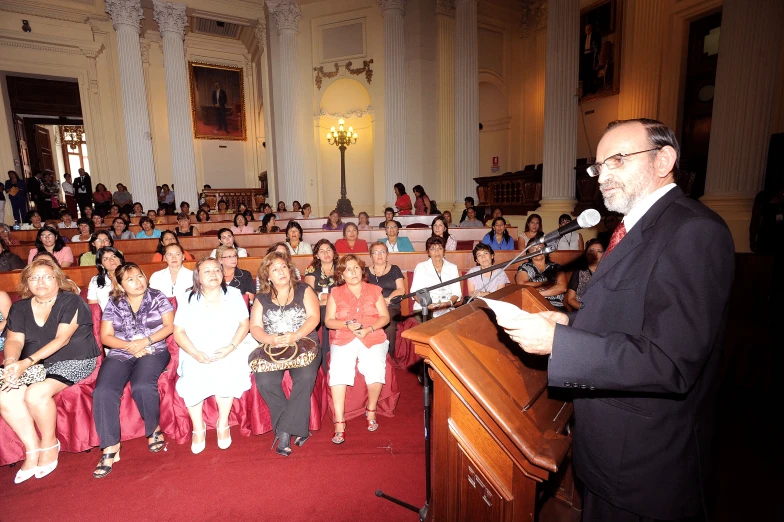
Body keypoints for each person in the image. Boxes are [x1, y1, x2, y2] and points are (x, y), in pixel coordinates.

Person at [498, 118, 735, 522]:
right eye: (598, 167)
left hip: (648, 467)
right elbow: (630, 321)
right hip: (609, 454)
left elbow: (671, 361)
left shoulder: (693, 230)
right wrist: (568, 325)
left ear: (664, 160)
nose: (603, 176)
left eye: (618, 160)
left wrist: (560, 344)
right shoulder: (631, 227)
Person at [0, 258, 100, 483]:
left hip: (73, 358)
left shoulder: (71, 301)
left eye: (46, 276)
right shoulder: (19, 307)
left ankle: (49, 443)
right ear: (26, 282)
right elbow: (14, 339)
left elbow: (62, 340)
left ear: (58, 279)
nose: (40, 282)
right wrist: (11, 362)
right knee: (4, 394)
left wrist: (25, 363)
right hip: (33, 363)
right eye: (34, 278)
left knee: (35, 394)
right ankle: (32, 447)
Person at [92, 263, 174, 478]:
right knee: (103, 391)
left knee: (141, 386)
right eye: (131, 279)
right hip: (121, 351)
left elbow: (169, 327)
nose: (138, 282)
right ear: (120, 284)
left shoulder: (157, 297)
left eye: (140, 276)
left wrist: (144, 342)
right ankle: (110, 446)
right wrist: (131, 346)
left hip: (154, 348)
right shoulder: (114, 302)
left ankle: (153, 428)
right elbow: (106, 337)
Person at [173, 258, 254, 454]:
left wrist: (230, 347)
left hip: (229, 346)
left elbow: (244, 325)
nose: (213, 274)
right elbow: (179, 332)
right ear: (198, 277)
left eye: (216, 270)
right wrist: (194, 353)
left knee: (227, 371)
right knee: (192, 376)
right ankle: (198, 427)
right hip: (195, 349)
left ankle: (223, 423)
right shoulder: (187, 297)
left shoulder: (234, 294)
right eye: (207, 271)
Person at [249, 252, 322, 456]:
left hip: (305, 344)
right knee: (264, 381)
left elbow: (314, 318)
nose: (281, 272)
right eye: (275, 269)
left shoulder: (304, 289)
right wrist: (270, 339)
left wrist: (296, 335)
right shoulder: (261, 298)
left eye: (283, 267)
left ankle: (284, 431)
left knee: (306, 377)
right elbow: (254, 326)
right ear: (267, 276)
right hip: (273, 347)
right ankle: (296, 428)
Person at [325, 254, 390, 444]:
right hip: (345, 336)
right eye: (347, 269)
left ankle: (371, 410)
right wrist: (346, 325)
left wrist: (369, 329)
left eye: (355, 268)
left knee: (375, 367)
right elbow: (328, 321)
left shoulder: (374, 290)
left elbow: (385, 317)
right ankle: (339, 421)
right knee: (338, 369)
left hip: (372, 335)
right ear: (341, 275)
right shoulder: (335, 293)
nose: (352, 272)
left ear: (362, 270)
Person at [366, 242, 405, 355]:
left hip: (391, 305)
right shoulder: (365, 271)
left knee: (388, 326)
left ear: (387, 254)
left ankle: (389, 356)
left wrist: (387, 299)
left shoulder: (394, 269)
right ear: (370, 255)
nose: (379, 255)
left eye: (383, 252)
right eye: (376, 252)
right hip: (371, 307)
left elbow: (401, 289)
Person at [305, 239, 338, 369]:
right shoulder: (312, 268)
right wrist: (322, 297)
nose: (326, 253)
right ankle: (325, 361)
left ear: (334, 253)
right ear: (317, 255)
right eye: (322, 251)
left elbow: (347, 287)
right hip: (319, 303)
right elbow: (309, 290)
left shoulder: (341, 266)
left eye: (328, 250)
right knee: (325, 315)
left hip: (339, 302)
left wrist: (329, 299)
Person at [410, 236, 461, 318]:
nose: (437, 252)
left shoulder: (452, 267)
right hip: (425, 308)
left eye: (440, 248)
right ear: (428, 252)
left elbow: (456, 292)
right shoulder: (421, 267)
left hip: (446, 307)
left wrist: (448, 303)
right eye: (433, 249)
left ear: (444, 251)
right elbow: (415, 292)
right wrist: (427, 305)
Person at [514, 242, 567, 309]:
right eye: (533, 249)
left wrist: (538, 293)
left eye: (540, 248)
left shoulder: (556, 267)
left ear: (546, 251)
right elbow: (522, 284)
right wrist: (548, 284)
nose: (537, 251)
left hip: (556, 306)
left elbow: (562, 288)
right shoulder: (525, 267)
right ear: (528, 253)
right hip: (534, 304)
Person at [565, 239, 604, 310]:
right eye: (591, 251)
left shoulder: (608, 272)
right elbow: (571, 299)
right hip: (582, 310)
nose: (595, 254)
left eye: (599, 251)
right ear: (586, 253)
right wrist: (585, 309)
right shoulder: (579, 272)